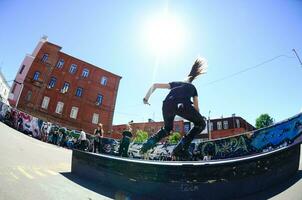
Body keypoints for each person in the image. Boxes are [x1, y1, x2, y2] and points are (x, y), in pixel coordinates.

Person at [140, 58, 207, 160]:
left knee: (167, 129)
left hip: (166, 105)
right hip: (181, 105)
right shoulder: (192, 88)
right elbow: (197, 108)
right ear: (192, 80)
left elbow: (155, 85)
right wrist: (199, 118)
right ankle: (180, 149)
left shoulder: (176, 83)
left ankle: (146, 146)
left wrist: (146, 98)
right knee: (201, 124)